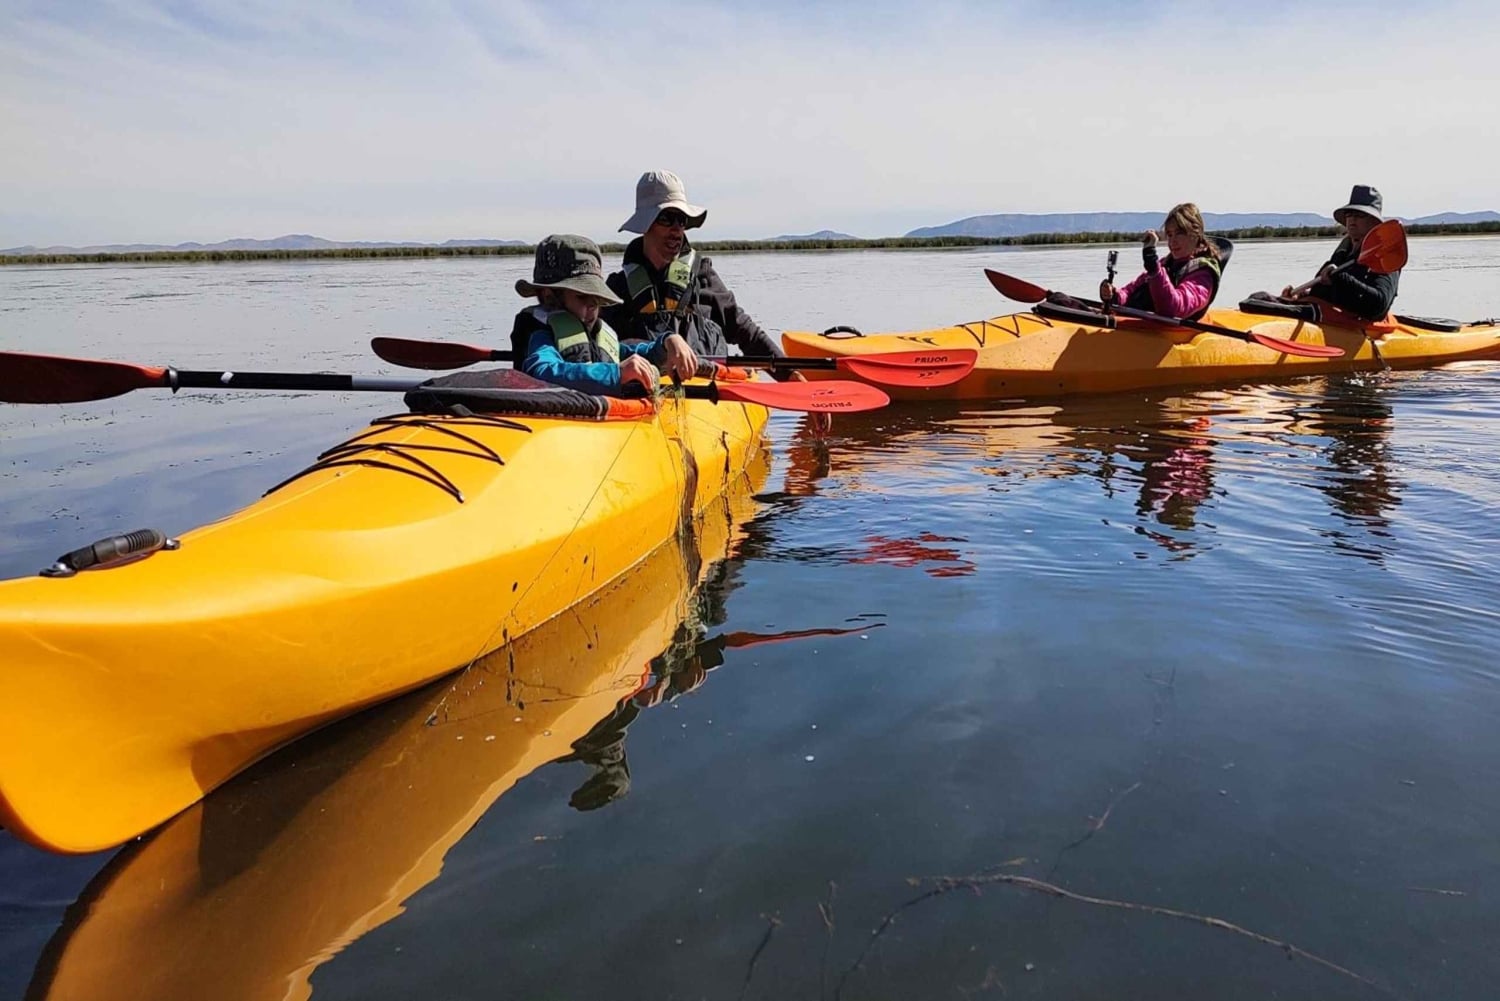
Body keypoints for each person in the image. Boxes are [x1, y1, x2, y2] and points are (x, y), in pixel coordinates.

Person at [603, 170, 784, 362]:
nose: (676, 230)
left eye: (681, 220)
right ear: (645, 224)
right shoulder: (617, 289)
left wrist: (789, 373)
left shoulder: (703, 277)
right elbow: (601, 347)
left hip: (709, 386)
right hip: (646, 387)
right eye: (666, 218)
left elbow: (744, 330)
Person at [513, 233, 697, 396]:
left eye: (596, 298)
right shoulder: (540, 334)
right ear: (549, 298)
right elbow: (542, 371)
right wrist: (615, 374)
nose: (593, 305)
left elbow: (626, 352)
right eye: (582, 296)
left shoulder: (596, 332)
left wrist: (668, 342)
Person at [1284, 185, 1400, 322]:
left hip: (1360, 325)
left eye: (1359, 215)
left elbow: (1379, 305)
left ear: (1375, 222)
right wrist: (1301, 295)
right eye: (1349, 214)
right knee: (1260, 298)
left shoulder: (1384, 256)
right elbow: (1327, 290)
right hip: (1333, 317)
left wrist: (1341, 277)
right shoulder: (1343, 252)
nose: (1352, 219)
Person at [1095, 203, 1225, 320]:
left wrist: (1153, 267)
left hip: (1170, 335)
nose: (1172, 241)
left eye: (1179, 233)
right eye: (1169, 234)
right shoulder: (1165, 264)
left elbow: (1174, 308)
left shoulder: (1203, 275)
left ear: (1196, 233)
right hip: (1143, 329)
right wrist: (1114, 296)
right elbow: (1130, 290)